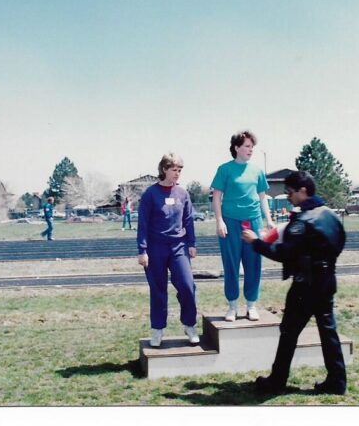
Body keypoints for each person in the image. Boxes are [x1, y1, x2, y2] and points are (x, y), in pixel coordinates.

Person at [242, 170, 347, 397]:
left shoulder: (303, 220)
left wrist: (256, 243)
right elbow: (340, 242)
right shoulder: (330, 215)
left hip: (305, 284)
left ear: (303, 191)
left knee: (289, 332)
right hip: (327, 279)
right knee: (328, 331)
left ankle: (277, 381)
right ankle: (337, 381)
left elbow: (283, 253)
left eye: (290, 192)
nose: (288, 197)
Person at [137, 152, 199, 348]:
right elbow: (143, 224)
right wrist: (142, 250)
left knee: (187, 285)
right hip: (155, 248)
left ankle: (189, 325)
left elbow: (188, 220)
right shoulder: (150, 194)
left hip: (178, 247)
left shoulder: (183, 194)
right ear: (164, 169)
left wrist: (192, 243)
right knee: (158, 290)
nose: (177, 173)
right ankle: (157, 330)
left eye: (179, 170)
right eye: (174, 170)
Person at [211, 130, 275, 322]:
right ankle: (232, 306)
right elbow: (216, 197)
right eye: (247, 146)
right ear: (236, 147)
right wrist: (220, 221)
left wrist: (269, 219)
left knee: (253, 263)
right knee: (231, 264)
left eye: (252, 147)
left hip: (253, 222)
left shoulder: (257, 171)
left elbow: (262, 197)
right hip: (230, 223)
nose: (250, 150)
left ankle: (251, 305)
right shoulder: (224, 169)